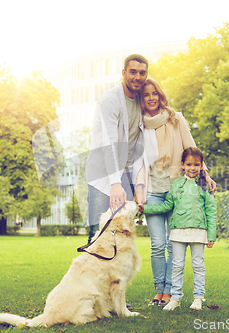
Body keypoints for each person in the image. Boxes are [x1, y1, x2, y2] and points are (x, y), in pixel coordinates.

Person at [139, 80, 216, 306]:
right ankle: (159, 291)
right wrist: (139, 189)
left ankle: (171, 292)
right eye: (146, 95)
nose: (151, 98)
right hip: (152, 188)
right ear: (141, 99)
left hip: (176, 189)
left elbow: (191, 147)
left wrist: (206, 174)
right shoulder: (140, 124)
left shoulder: (176, 118)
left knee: (174, 243)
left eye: (155, 93)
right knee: (156, 244)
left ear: (160, 95)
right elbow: (136, 160)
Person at [139, 147, 216, 311]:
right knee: (177, 266)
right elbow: (167, 206)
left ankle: (198, 298)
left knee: (198, 265)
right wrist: (145, 209)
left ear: (202, 166)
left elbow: (211, 211)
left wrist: (212, 235)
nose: (192, 168)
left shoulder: (204, 186)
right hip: (178, 232)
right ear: (182, 165)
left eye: (196, 164)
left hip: (199, 232)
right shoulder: (175, 185)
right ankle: (175, 298)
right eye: (189, 164)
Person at [85, 54, 148, 244]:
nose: (138, 77)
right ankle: (90, 273)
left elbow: (138, 146)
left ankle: (115, 274)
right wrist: (115, 184)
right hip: (102, 175)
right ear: (123, 73)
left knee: (121, 233)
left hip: (125, 176)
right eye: (133, 72)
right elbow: (110, 144)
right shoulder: (110, 100)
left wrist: (138, 185)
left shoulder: (141, 101)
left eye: (142, 73)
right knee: (98, 232)